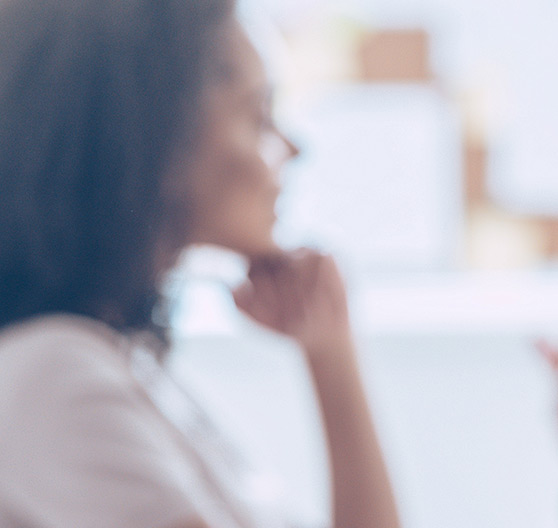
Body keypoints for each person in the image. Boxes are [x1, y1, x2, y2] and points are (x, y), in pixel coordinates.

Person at [0, 1, 401, 527]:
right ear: (157, 140)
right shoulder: (58, 379)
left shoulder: (117, 361)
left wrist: (331, 352)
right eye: (259, 116)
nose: (294, 148)